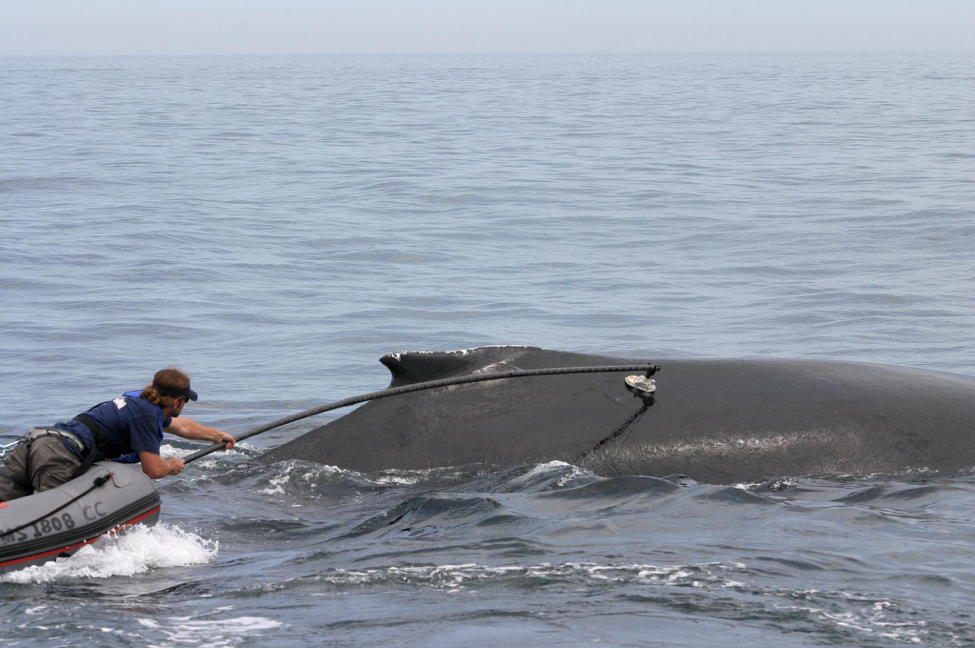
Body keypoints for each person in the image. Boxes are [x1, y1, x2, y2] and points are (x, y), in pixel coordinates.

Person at [0, 368, 235, 502]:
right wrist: (171, 465)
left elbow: (182, 427)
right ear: (176, 401)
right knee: (46, 512)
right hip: (58, 457)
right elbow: (152, 470)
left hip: (41, 441)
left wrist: (217, 436)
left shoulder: (139, 403)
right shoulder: (145, 417)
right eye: (184, 401)